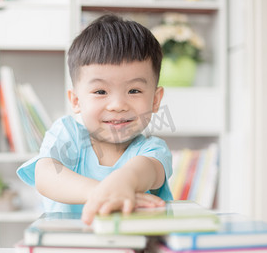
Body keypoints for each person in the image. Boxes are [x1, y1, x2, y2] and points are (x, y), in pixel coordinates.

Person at [17, 14, 173, 225]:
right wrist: (103, 193)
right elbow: (45, 176)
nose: (117, 105)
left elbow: (140, 171)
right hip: (70, 248)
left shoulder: (153, 151)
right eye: (100, 91)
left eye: (134, 90)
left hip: (133, 251)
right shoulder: (68, 134)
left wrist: (123, 184)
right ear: (76, 101)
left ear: (155, 100)